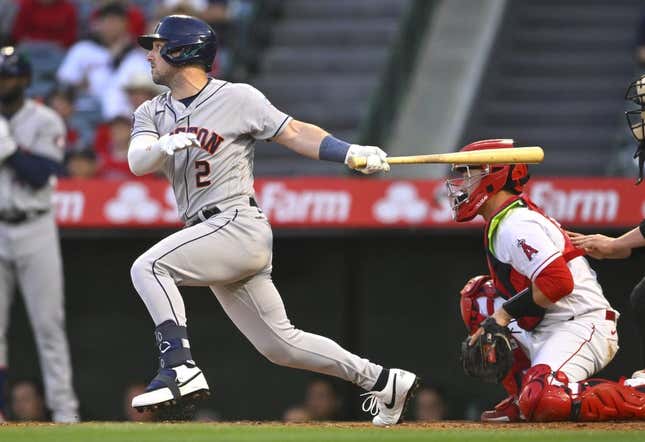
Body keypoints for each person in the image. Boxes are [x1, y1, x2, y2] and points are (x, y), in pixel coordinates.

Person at [127, 15, 418, 426]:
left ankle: (178, 365)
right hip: (208, 233)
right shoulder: (151, 111)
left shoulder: (238, 97)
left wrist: (349, 152)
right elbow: (137, 162)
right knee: (280, 345)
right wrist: (161, 147)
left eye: (157, 46)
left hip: (235, 221)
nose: (149, 54)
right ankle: (384, 381)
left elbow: (295, 132)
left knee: (150, 267)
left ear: (181, 51)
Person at [446, 138, 645, 422]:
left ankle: (638, 393)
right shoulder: (503, 220)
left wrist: (502, 315)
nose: (461, 183)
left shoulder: (517, 224)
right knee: (478, 297)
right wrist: (498, 315)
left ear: (495, 175)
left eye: (468, 173)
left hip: (580, 323)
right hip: (544, 324)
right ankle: (522, 398)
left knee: (544, 400)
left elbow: (559, 282)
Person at [0, 46, 79, 423]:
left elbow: (40, 174)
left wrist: (9, 149)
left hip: (35, 225)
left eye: (10, 76)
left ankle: (65, 413)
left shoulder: (45, 120)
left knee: (48, 325)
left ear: (26, 79)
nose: (4, 83)